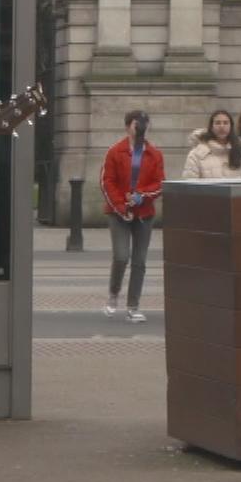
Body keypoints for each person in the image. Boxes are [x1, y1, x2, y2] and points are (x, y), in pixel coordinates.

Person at [98, 109, 163, 323]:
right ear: (128, 127)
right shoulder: (115, 152)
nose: (141, 128)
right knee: (121, 256)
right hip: (119, 214)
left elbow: (159, 183)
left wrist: (141, 195)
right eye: (137, 124)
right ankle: (113, 293)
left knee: (139, 261)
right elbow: (107, 182)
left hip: (144, 213)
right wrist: (121, 206)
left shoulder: (154, 154)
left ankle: (133, 305)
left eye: (145, 124)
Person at [182, 108, 241, 179]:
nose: (222, 126)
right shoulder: (196, 155)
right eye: (217, 123)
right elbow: (190, 182)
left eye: (225, 123)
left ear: (231, 126)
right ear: (211, 127)